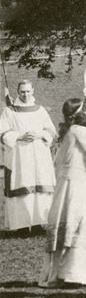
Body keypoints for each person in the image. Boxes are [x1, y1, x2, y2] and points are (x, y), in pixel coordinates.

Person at [38, 98, 86, 288]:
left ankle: (59, 273)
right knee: (80, 223)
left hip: (64, 184)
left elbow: (58, 162)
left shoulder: (70, 132)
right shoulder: (79, 131)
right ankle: (76, 273)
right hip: (78, 183)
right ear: (82, 114)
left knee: (66, 222)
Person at [0, 80, 56, 233]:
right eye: (22, 92)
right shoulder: (10, 111)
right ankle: (23, 225)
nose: (25, 94)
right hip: (20, 156)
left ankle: (38, 224)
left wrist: (39, 134)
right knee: (23, 187)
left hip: (38, 154)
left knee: (39, 188)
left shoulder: (40, 110)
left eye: (28, 91)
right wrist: (19, 136)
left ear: (33, 91)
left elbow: (51, 130)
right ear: (18, 92)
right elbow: (2, 132)